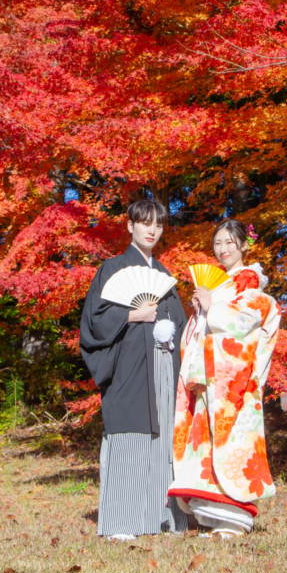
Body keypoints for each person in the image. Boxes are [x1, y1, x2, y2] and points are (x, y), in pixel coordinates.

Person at [79, 199, 192, 541]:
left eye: (158, 224)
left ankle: (165, 517)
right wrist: (131, 316)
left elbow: (181, 324)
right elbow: (93, 322)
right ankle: (123, 522)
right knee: (131, 434)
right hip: (129, 367)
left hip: (163, 366)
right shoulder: (112, 269)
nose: (152, 229)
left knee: (164, 438)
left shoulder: (164, 276)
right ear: (130, 226)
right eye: (145, 223)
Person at [168, 219, 281, 538]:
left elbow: (242, 324)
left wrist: (212, 310)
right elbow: (197, 335)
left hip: (234, 385)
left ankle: (234, 520)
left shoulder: (249, 284)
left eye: (230, 242)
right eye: (218, 243)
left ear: (244, 245)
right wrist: (200, 314)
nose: (223, 249)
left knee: (233, 445)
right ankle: (215, 520)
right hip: (209, 381)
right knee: (205, 446)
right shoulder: (220, 285)